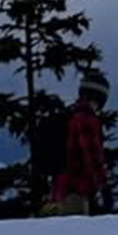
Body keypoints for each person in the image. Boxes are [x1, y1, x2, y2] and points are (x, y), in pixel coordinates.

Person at [41, 67, 109, 216]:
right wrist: (102, 184)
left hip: (59, 186)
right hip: (77, 189)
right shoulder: (87, 120)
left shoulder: (69, 116)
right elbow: (92, 154)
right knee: (76, 228)